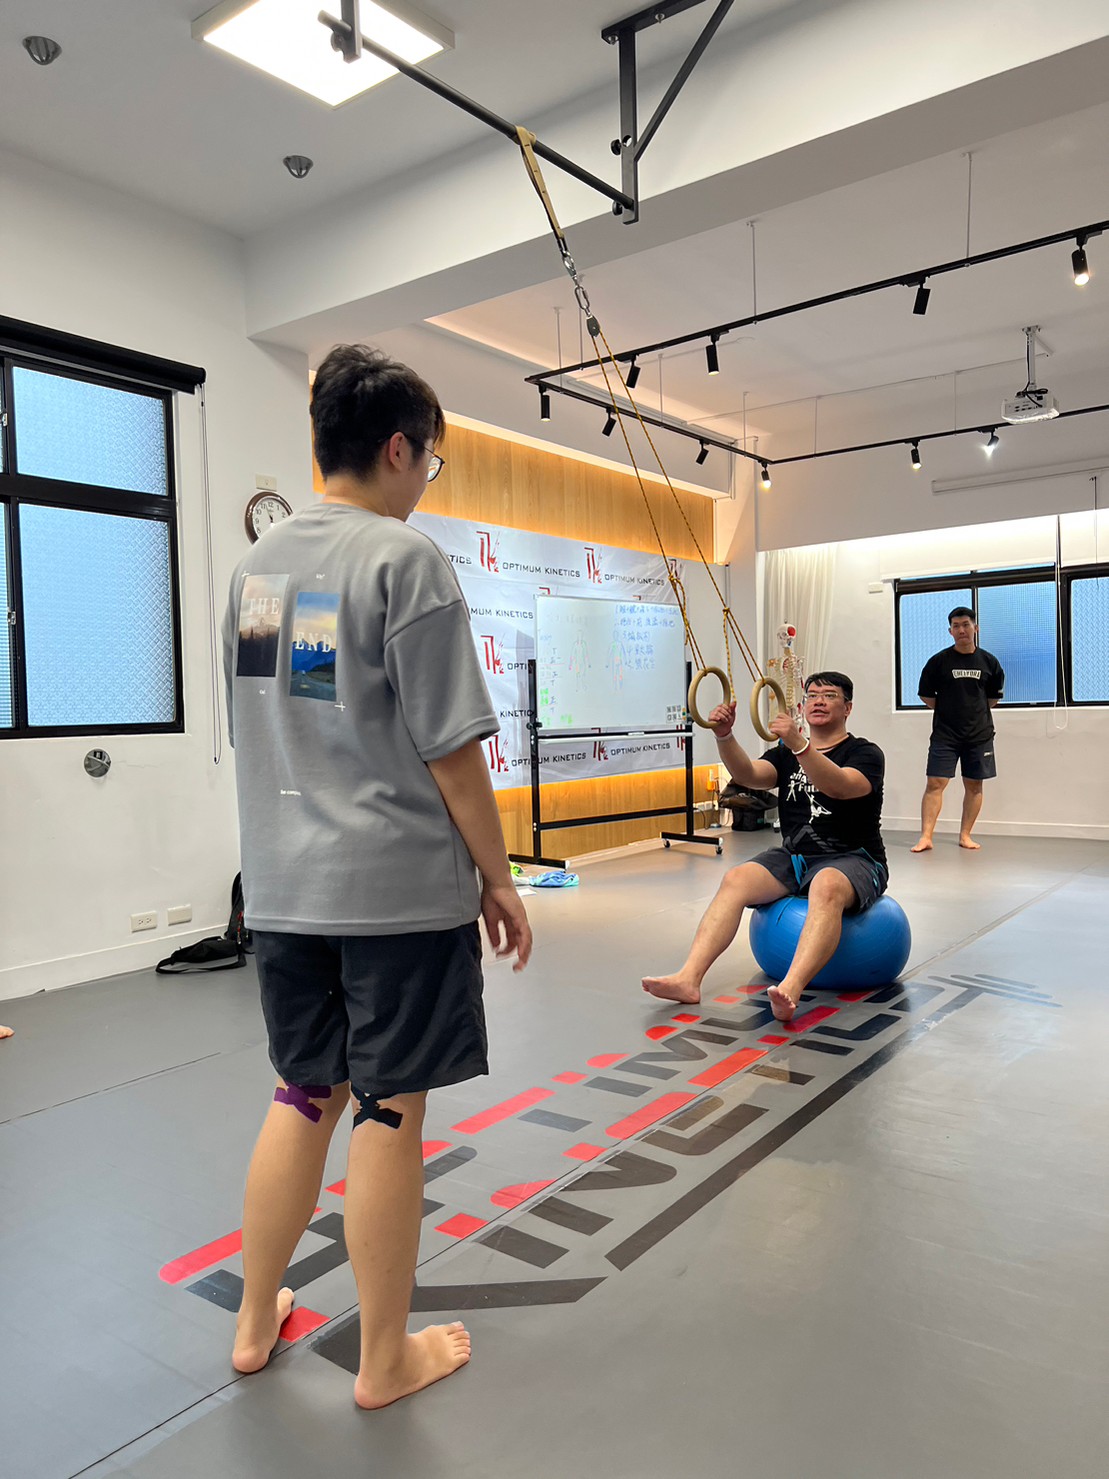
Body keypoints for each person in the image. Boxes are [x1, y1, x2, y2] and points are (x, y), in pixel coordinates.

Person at [221, 344, 531, 1409]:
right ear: (398, 449)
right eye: (428, 461)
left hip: (282, 890)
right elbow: (452, 751)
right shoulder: (405, 561)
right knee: (390, 1111)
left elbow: (275, 717)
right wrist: (497, 876)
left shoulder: (258, 570)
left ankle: (254, 1320)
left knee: (303, 1091)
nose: (423, 481)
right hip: (394, 893)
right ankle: (384, 1357)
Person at [642, 672, 886, 1022]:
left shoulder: (865, 753)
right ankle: (688, 979)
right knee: (736, 879)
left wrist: (799, 744)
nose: (818, 701)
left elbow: (840, 786)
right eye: (812, 695)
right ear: (802, 705)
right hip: (796, 858)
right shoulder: (785, 754)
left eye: (830, 695)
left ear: (847, 708)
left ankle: (791, 988)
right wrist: (724, 736)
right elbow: (749, 775)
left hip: (855, 858)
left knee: (827, 883)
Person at [911, 606, 1004, 852]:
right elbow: (926, 696)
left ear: (975, 628)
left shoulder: (989, 662)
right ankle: (926, 837)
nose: (961, 630)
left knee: (974, 785)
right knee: (935, 783)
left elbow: (992, 698)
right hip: (945, 735)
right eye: (956, 626)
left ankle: (965, 835)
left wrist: (971, 711)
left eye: (966, 624)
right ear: (950, 631)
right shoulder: (938, 662)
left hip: (980, 735)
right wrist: (950, 710)